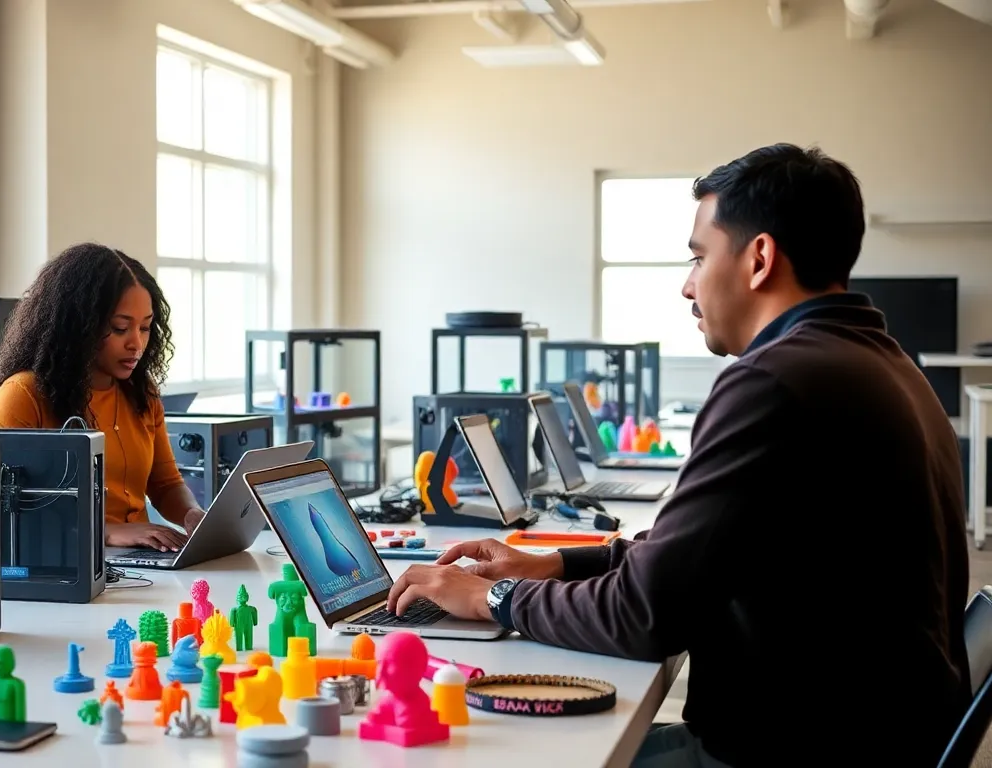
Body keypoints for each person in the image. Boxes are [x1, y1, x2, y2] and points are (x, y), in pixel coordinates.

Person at [386, 145, 971, 766]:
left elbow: (643, 616)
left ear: (759, 258)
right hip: (873, 734)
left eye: (698, 257)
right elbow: (694, 558)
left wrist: (493, 599)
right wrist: (550, 563)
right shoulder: (886, 366)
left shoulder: (774, 381)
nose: (687, 285)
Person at [0, 242, 205, 552]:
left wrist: (192, 514)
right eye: (120, 328)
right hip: (65, 562)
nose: (136, 344)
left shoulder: (142, 393)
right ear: (79, 326)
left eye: (145, 328)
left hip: (141, 562)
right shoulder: (24, 395)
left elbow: (165, 484)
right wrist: (106, 532)